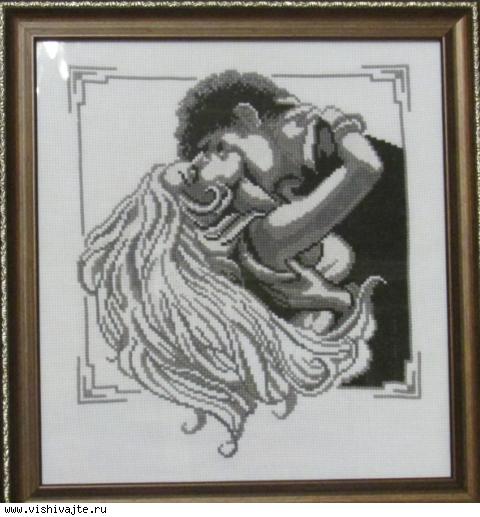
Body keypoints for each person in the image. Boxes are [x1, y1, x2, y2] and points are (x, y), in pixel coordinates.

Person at [77, 71, 407, 456]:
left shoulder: (270, 222)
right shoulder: (264, 236)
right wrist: (342, 123)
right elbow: (365, 169)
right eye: (295, 114)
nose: (310, 122)